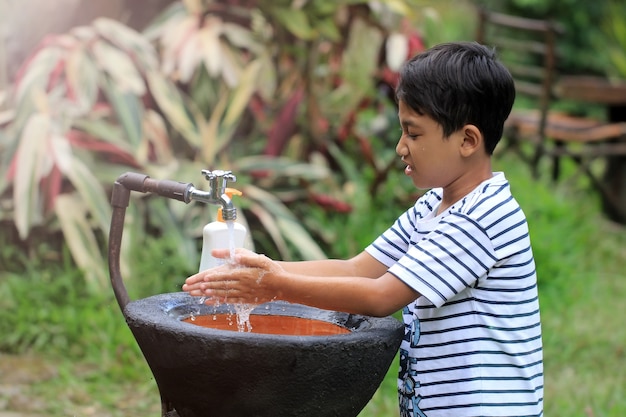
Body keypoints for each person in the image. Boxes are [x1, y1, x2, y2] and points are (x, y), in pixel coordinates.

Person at [183, 41, 544, 417]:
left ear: (468, 140)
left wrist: (276, 285)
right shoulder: (433, 208)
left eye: (414, 134)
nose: (401, 147)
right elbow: (356, 269)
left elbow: (381, 295)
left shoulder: (480, 217)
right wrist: (263, 269)